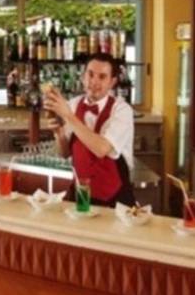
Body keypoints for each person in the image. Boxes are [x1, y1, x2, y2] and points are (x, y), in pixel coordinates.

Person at [43, 52, 136, 207]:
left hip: (115, 199)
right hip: (81, 193)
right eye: (90, 74)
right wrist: (59, 133)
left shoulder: (122, 110)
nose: (94, 81)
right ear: (83, 76)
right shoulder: (73, 104)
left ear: (112, 82)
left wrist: (68, 116)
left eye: (102, 77)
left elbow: (102, 149)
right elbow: (65, 153)